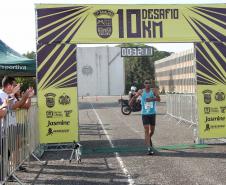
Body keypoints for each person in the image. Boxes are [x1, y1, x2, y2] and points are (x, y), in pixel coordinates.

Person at [134, 80, 160, 155]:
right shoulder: (141, 91)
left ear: (150, 84)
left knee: (152, 131)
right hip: (144, 114)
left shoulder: (153, 91)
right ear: (144, 84)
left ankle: (148, 138)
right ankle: (149, 148)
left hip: (152, 114)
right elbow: (135, 97)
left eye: (148, 83)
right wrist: (132, 100)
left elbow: (159, 99)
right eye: (146, 83)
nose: (147, 84)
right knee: (146, 130)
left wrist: (152, 99)